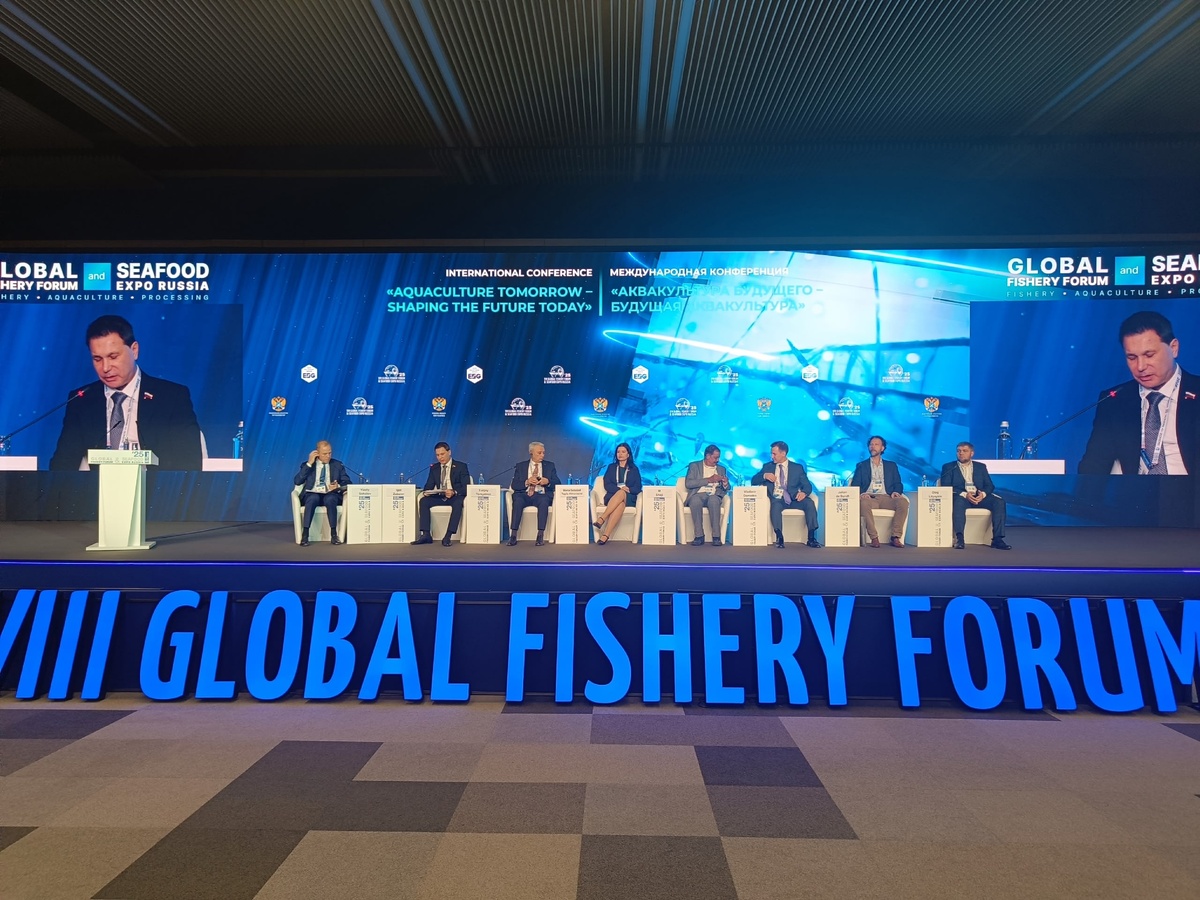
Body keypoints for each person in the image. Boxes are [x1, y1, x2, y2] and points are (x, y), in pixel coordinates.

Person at [49, 314, 202, 471]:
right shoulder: (81, 400)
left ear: (134, 350)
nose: (105, 368)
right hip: (95, 486)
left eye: (113, 357)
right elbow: (62, 466)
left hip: (155, 486)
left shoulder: (171, 397)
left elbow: (189, 463)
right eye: (97, 359)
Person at [1079, 311, 1199, 475]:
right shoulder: (1114, 401)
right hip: (1133, 490)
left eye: (1149, 355)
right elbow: (1093, 467)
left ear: (1174, 348)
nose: (1140, 366)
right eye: (1132, 357)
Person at [940, 442, 1010, 550]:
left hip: (979, 497)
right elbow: (946, 485)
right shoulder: (949, 467)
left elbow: (990, 485)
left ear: (971, 453)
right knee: (958, 502)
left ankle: (997, 539)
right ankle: (959, 539)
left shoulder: (980, 467)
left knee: (999, 502)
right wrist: (965, 494)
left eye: (964, 451)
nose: (961, 453)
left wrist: (983, 494)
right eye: (958, 451)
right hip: (962, 497)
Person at [750, 440, 821, 548]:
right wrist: (764, 476)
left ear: (783, 453)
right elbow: (753, 481)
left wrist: (804, 493)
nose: (772, 456)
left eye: (774, 454)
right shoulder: (767, 467)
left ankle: (811, 538)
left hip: (794, 498)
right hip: (777, 498)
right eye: (771, 453)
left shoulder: (797, 468)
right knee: (775, 506)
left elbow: (807, 486)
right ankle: (779, 537)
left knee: (809, 503)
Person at [850, 435, 910, 548]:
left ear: (882, 448)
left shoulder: (891, 466)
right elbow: (855, 484)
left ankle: (895, 537)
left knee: (903, 502)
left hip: (887, 497)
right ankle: (874, 538)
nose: (873, 447)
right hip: (870, 498)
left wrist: (896, 492)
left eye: (876, 444)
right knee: (863, 503)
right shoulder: (862, 465)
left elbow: (898, 483)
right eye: (871, 444)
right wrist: (862, 493)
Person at [411, 441, 470, 546]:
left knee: (458, 503)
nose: (440, 457)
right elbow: (429, 485)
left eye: (442, 454)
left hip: (454, 496)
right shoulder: (434, 468)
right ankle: (426, 534)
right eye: (437, 455)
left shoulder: (461, 466)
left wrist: (454, 492)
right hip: (440, 496)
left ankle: (448, 536)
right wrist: (427, 492)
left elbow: (466, 487)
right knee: (424, 501)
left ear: (449, 452)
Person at [293, 440, 351, 546]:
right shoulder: (308, 465)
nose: (328, 456)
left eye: (330, 453)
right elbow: (297, 481)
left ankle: (334, 534)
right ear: (317, 453)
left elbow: (347, 482)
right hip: (312, 493)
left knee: (330, 499)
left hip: (330, 493)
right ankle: (305, 535)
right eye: (325, 454)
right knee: (312, 499)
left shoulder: (337, 465)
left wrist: (337, 486)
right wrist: (309, 464)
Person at [507, 440, 560, 546]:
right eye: (539, 453)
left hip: (540, 494)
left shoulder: (550, 466)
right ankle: (513, 535)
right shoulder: (521, 466)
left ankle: (540, 535)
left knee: (544, 500)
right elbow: (515, 485)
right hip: (524, 494)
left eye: (543, 453)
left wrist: (547, 481)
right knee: (518, 501)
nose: (542, 455)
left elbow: (558, 483)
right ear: (531, 452)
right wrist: (527, 482)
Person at [593, 442, 642, 545]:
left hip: (629, 497)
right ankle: (606, 535)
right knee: (620, 504)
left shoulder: (634, 469)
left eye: (623, 452)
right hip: (613, 497)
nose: (620, 454)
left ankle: (602, 518)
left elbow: (638, 487)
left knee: (622, 492)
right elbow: (607, 484)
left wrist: (628, 489)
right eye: (618, 452)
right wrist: (619, 489)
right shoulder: (611, 467)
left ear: (628, 454)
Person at [683, 443, 729, 546]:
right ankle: (699, 536)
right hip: (698, 494)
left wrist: (725, 483)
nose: (717, 460)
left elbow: (727, 487)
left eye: (718, 458)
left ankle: (716, 537)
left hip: (714, 494)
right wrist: (709, 480)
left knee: (713, 500)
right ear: (708, 456)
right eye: (715, 458)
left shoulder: (721, 469)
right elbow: (688, 483)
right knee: (695, 500)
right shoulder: (694, 466)